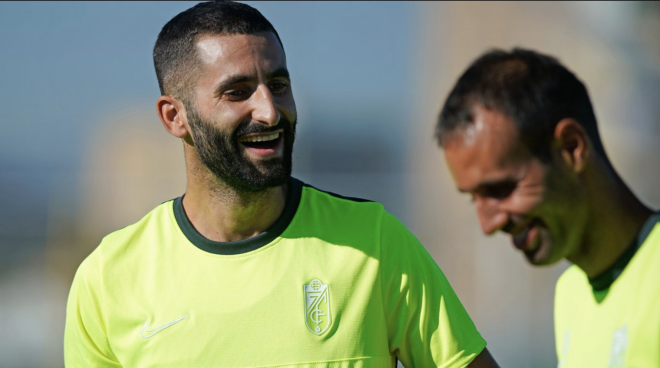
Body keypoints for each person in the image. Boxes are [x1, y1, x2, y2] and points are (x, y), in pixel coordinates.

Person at [64, 2, 499, 367]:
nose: (270, 112)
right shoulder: (108, 278)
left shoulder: (374, 242)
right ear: (174, 118)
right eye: (237, 92)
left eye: (278, 85)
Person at [436, 47, 659, 367]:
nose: (488, 224)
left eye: (500, 189)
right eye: (474, 198)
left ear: (571, 148)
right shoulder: (570, 295)